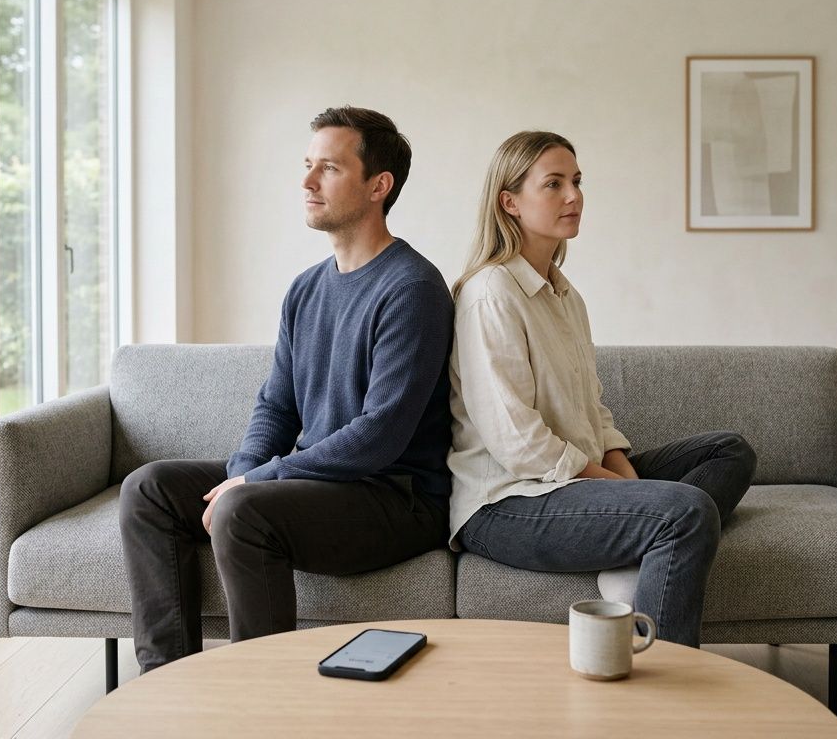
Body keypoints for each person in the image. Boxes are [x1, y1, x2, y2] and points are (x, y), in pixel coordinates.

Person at [119, 107, 454, 672]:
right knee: (148, 489)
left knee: (245, 510)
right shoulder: (306, 289)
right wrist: (238, 474)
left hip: (395, 497)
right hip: (323, 484)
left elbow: (380, 434)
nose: (306, 182)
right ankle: (167, 680)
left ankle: (261, 698)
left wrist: (255, 481)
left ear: (379, 185)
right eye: (307, 166)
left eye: (328, 168)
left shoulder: (414, 288)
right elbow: (276, 405)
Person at [447, 131, 756, 647]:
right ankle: (663, 676)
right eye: (553, 184)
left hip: (573, 478)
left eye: (576, 181)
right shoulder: (490, 295)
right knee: (686, 510)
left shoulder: (567, 297)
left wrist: (626, 483)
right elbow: (518, 442)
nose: (574, 196)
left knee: (730, 452)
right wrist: (629, 495)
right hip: (507, 503)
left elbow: (594, 410)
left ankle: (640, 543)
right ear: (510, 203)